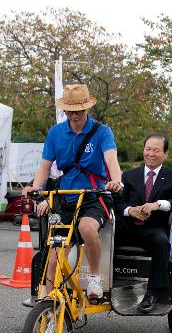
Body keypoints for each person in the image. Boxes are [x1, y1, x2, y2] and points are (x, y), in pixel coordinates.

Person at [23, 84, 123, 299]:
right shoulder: (56, 132)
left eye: (80, 110)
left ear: (87, 109)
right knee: (54, 258)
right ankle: (49, 309)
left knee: (87, 229)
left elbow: (111, 160)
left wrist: (116, 181)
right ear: (64, 111)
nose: (75, 115)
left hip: (94, 195)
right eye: (70, 110)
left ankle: (95, 278)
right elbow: (44, 167)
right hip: (65, 197)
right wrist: (37, 188)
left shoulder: (102, 132)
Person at [114, 134, 172, 313]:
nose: (151, 154)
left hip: (153, 229)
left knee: (161, 242)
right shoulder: (129, 175)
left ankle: (153, 293)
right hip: (127, 226)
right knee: (101, 232)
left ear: (165, 154)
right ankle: (101, 280)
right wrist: (130, 210)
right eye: (148, 149)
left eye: (156, 150)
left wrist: (158, 205)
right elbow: (116, 202)